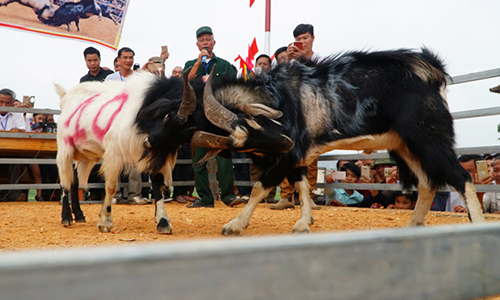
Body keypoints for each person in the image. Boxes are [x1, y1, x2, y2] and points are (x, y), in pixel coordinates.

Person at [183, 26, 237, 208]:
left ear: (214, 42)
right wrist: (198, 62)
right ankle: (205, 198)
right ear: (197, 44)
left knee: (223, 157)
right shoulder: (191, 64)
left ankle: (228, 196)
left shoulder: (224, 65)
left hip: (220, 116)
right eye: (202, 40)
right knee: (198, 159)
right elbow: (186, 82)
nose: (205, 42)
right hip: (199, 117)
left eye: (208, 39)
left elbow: (232, 88)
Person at [271, 23, 319, 210]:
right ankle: (286, 196)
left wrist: (305, 60)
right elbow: (279, 81)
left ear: (313, 38)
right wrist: (288, 60)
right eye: (298, 39)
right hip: (292, 113)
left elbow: (320, 81)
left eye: (305, 38)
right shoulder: (290, 62)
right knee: (286, 152)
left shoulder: (319, 59)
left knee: (312, 154)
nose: (301, 42)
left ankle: (310, 196)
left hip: (314, 113)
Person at [106, 47, 150, 205]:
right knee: (114, 159)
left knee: (134, 158)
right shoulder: (110, 79)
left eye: (131, 57)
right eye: (125, 57)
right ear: (118, 60)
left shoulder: (138, 78)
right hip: (114, 124)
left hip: (132, 124)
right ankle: (115, 195)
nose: (128, 60)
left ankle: (134, 195)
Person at [80, 47, 114, 201]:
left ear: (100, 60)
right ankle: (93, 191)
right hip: (90, 120)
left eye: (95, 60)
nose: (93, 63)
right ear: (85, 61)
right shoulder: (83, 81)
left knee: (108, 154)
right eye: (89, 60)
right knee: (92, 154)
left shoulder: (109, 75)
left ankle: (106, 190)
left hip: (107, 119)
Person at [0, 88, 28, 202]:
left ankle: (14, 193)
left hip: (11, 150)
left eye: (7, 103)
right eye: (1, 102)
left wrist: (18, 130)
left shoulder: (17, 113)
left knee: (16, 160)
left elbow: (22, 130)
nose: (4, 105)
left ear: (12, 103)